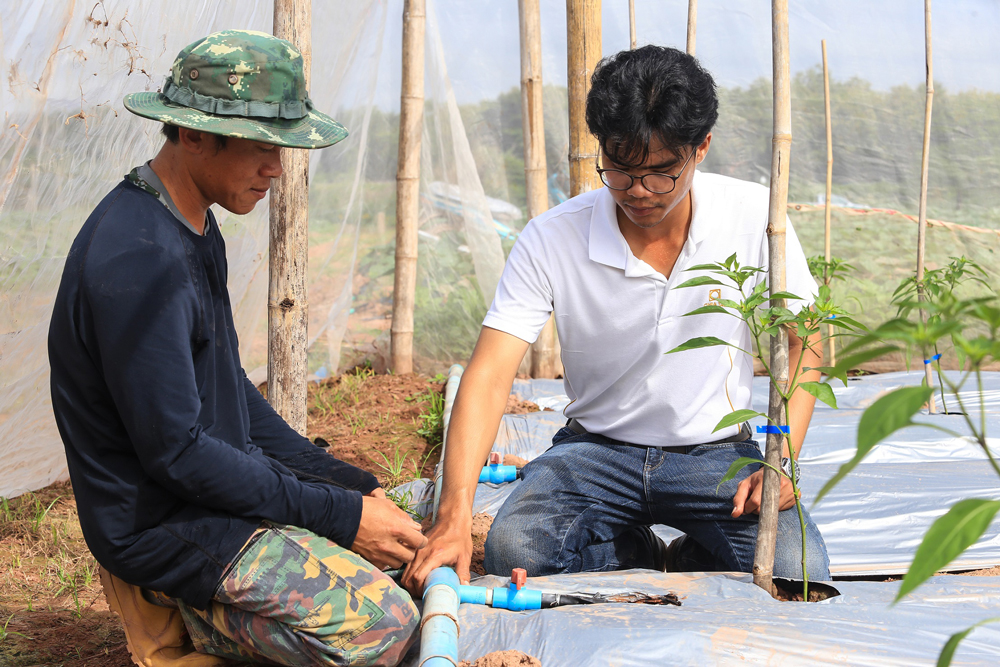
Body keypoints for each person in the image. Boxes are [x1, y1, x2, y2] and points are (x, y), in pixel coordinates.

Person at [48, 30, 423, 666]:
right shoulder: (139, 257)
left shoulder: (193, 222)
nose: (277, 167)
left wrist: (353, 489)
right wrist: (337, 516)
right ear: (192, 133)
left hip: (213, 494)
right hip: (167, 525)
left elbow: (233, 396)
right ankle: (182, 620)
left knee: (408, 512)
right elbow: (178, 455)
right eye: (261, 145)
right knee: (388, 627)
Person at [403, 45, 830, 593]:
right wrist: (454, 514)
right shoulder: (554, 236)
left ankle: (693, 552)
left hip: (716, 454)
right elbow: (489, 372)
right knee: (517, 549)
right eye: (622, 171)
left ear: (700, 148)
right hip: (596, 449)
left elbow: (807, 340)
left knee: (800, 572)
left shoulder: (753, 218)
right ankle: (638, 550)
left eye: (661, 174)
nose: (639, 192)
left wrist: (780, 456)